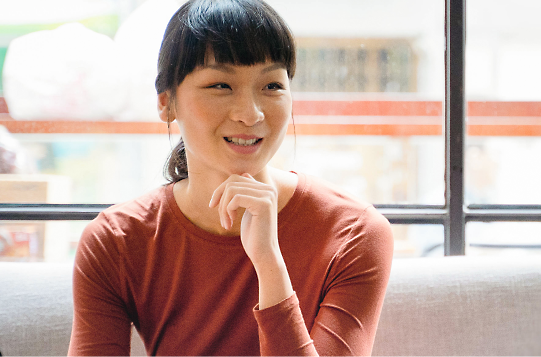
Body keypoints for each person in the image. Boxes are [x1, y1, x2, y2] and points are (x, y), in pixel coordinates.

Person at [68, 0, 394, 356]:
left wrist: (269, 263)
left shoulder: (354, 232)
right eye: (221, 85)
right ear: (166, 103)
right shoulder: (116, 242)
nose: (250, 114)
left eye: (271, 86)